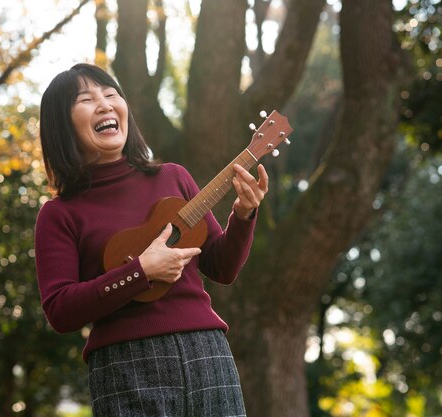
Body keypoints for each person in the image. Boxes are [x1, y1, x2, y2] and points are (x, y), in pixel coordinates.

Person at [34, 63, 268, 417]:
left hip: (207, 352)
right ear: (61, 124)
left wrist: (244, 215)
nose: (105, 104)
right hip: (124, 365)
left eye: (112, 95)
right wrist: (140, 272)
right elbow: (60, 311)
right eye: (86, 99)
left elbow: (221, 267)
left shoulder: (174, 177)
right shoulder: (59, 214)